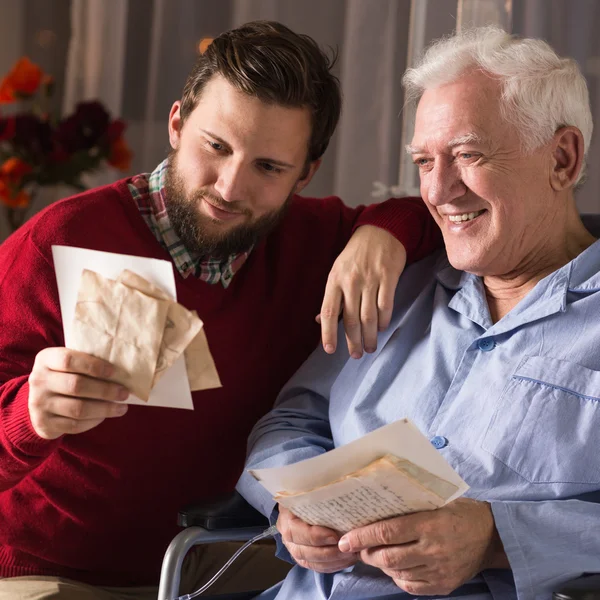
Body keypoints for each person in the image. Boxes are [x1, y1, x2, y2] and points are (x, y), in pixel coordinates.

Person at [0, 20, 441, 600]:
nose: (230, 187)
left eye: (268, 167)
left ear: (304, 174)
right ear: (178, 124)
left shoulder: (314, 239)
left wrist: (382, 234)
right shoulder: (59, 240)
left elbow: (439, 217)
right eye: (216, 146)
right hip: (52, 570)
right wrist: (29, 416)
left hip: (221, 564)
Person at [239, 26, 600, 600]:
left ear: (562, 158)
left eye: (468, 155)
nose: (439, 190)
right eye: (424, 162)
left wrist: (496, 538)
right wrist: (291, 505)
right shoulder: (401, 286)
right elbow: (292, 422)